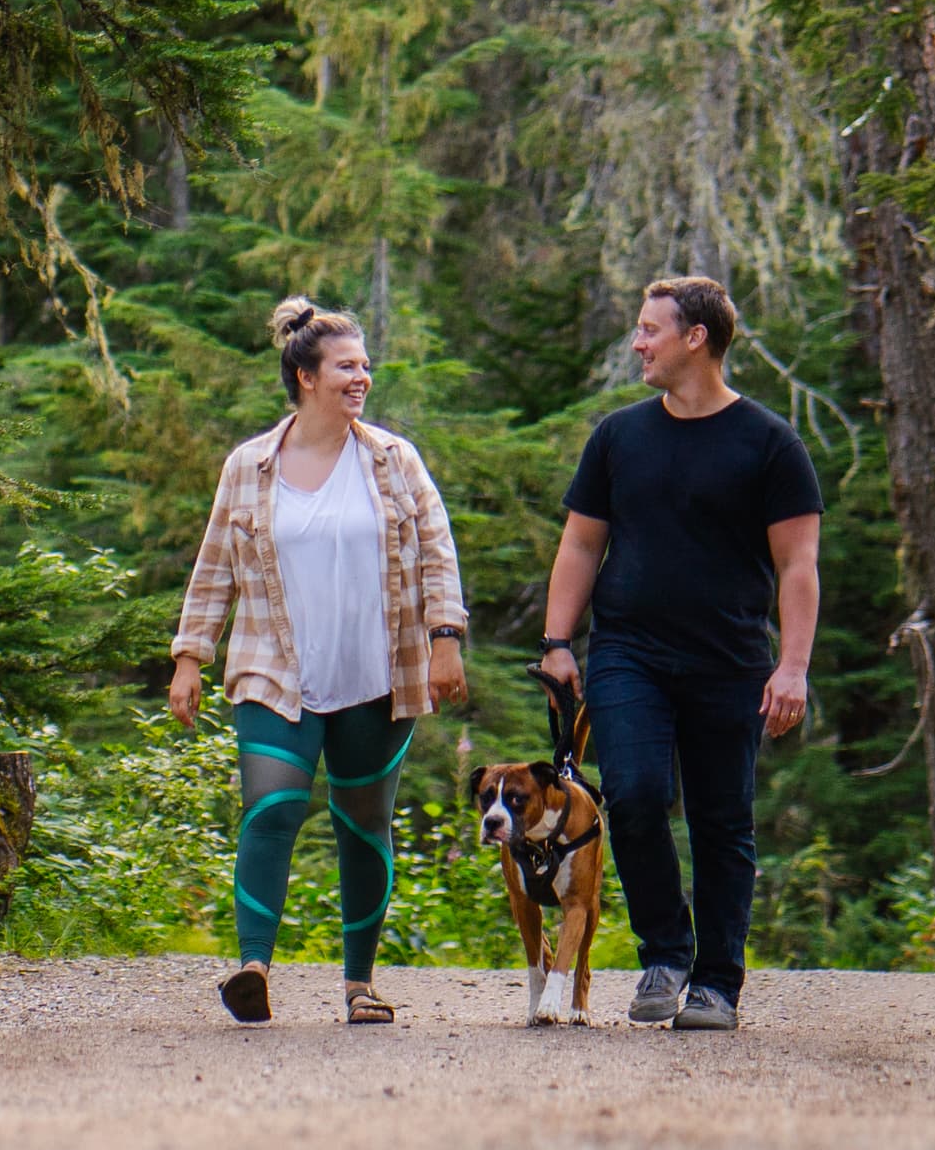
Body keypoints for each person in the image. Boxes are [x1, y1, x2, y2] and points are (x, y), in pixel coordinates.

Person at [169, 298, 472, 1024]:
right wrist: (190, 657)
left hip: (378, 674)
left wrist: (445, 638)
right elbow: (214, 568)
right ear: (306, 376)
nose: (361, 377)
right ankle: (251, 968)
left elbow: (437, 549)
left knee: (363, 826)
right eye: (346, 366)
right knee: (270, 811)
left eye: (364, 365)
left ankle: (359, 984)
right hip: (274, 673)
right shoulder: (250, 467)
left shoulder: (395, 461)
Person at [535, 274, 822, 1031]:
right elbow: (581, 542)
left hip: (731, 659)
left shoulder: (769, 444)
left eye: (649, 330)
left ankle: (717, 983)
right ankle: (665, 952)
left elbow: (798, 567)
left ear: (696, 338)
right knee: (629, 794)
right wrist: (558, 641)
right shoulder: (619, 436)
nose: (638, 343)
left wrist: (791, 667)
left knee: (723, 820)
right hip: (629, 649)